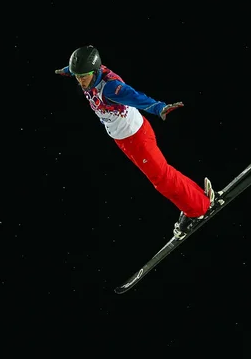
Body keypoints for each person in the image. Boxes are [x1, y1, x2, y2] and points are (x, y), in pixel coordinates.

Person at [55, 45, 215, 239]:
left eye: (84, 76)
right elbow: (77, 70)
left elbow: (135, 96)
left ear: (95, 70)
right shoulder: (86, 73)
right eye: (77, 76)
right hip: (123, 139)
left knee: (161, 179)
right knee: (162, 174)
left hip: (136, 137)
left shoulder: (112, 88)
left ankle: (199, 207)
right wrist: (67, 70)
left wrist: (159, 108)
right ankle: (194, 201)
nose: (81, 81)